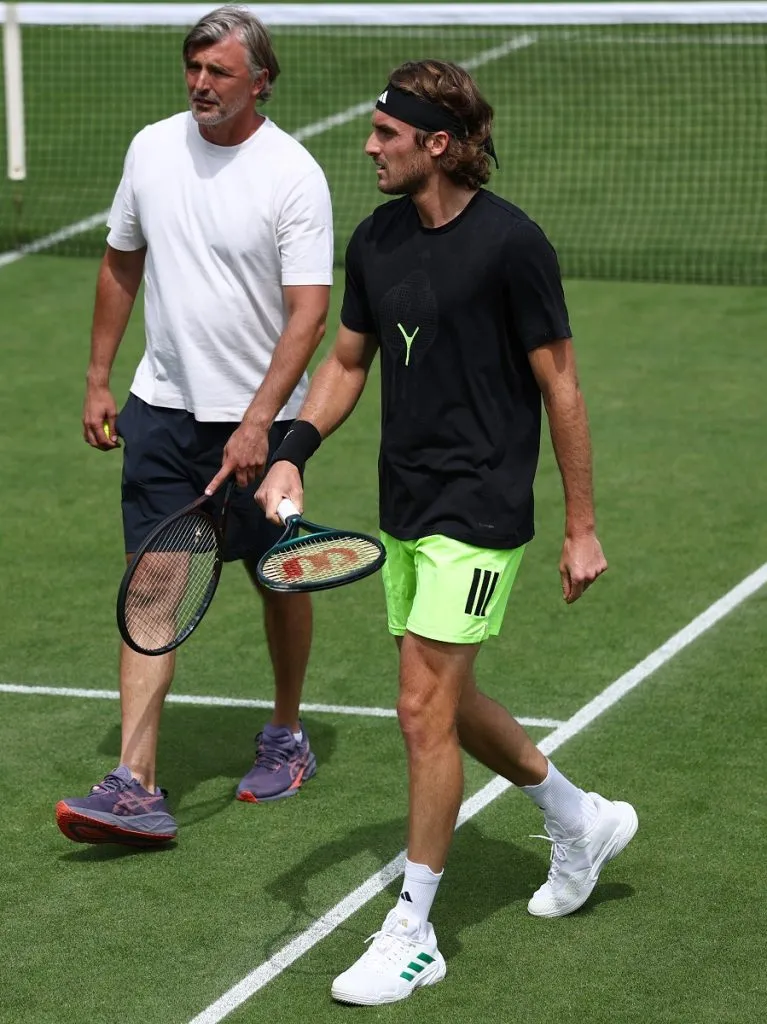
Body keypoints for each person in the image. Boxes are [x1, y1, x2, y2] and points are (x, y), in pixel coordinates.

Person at [256, 60, 638, 1005]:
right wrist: (292, 448)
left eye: (387, 134)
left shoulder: (513, 245)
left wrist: (578, 526)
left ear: (437, 144)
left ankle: (412, 929)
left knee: (421, 709)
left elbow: (562, 387)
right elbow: (347, 362)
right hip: (407, 505)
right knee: (446, 700)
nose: (369, 145)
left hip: (482, 508)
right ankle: (574, 814)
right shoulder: (378, 240)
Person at [55, 5, 333, 847]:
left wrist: (259, 423)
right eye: (193, 67)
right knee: (153, 590)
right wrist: (101, 377)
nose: (200, 84)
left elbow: (309, 314)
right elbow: (120, 259)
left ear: (260, 81)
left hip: (263, 425)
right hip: (163, 413)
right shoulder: (150, 149)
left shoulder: (293, 174)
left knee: (276, 578)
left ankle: (286, 732)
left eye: (218, 71)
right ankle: (135, 781)